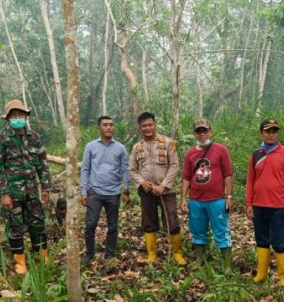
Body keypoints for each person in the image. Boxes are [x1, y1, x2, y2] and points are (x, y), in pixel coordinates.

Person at [0, 99, 51, 274]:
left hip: (32, 191)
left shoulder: (34, 137)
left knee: (37, 224)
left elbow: (42, 163)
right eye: (14, 115)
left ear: (25, 116)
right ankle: (20, 264)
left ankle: (42, 258)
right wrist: (3, 193)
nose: (18, 117)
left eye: (20, 114)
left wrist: (45, 187)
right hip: (12, 193)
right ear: (8, 118)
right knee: (15, 227)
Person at [129, 111, 186, 265]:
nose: (147, 128)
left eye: (150, 125)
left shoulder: (167, 143)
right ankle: (152, 254)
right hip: (147, 192)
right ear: (140, 128)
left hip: (166, 191)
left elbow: (175, 166)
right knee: (148, 221)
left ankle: (177, 253)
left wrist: (163, 185)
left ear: (155, 125)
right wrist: (141, 182)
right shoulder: (137, 147)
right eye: (144, 126)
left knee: (172, 221)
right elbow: (132, 170)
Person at [246, 119, 284, 286]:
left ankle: (283, 276)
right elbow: (250, 181)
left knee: (279, 241)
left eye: (274, 131)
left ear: (278, 134)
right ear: (261, 133)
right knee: (261, 239)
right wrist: (248, 203)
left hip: (278, 206)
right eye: (267, 131)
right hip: (258, 205)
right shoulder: (256, 154)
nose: (271, 134)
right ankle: (262, 273)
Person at [180, 118, 234, 267]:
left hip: (216, 199)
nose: (202, 134)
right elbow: (186, 177)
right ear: (195, 134)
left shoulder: (221, 150)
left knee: (221, 230)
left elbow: (227, 174)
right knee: (197, 231)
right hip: (196, 199)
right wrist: (183, 198)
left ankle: (227, 264)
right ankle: (199, 259)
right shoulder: (190, 153)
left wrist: (229, 197)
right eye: (199, 131)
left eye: (205, 131)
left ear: (210, 132)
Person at [80, 116, 130, 263]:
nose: (108, 127)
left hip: (113, 193)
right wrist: (83, 191)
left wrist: (126, 190)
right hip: (94, 191)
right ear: (99, 127)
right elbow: (85, 169)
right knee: (90, 224)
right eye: (105, 125)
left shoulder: (120, 148)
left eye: (111, 125)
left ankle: (109, 253)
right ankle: (89, 253)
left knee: (113, 225)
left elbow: (125, 170)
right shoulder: (90, 146)